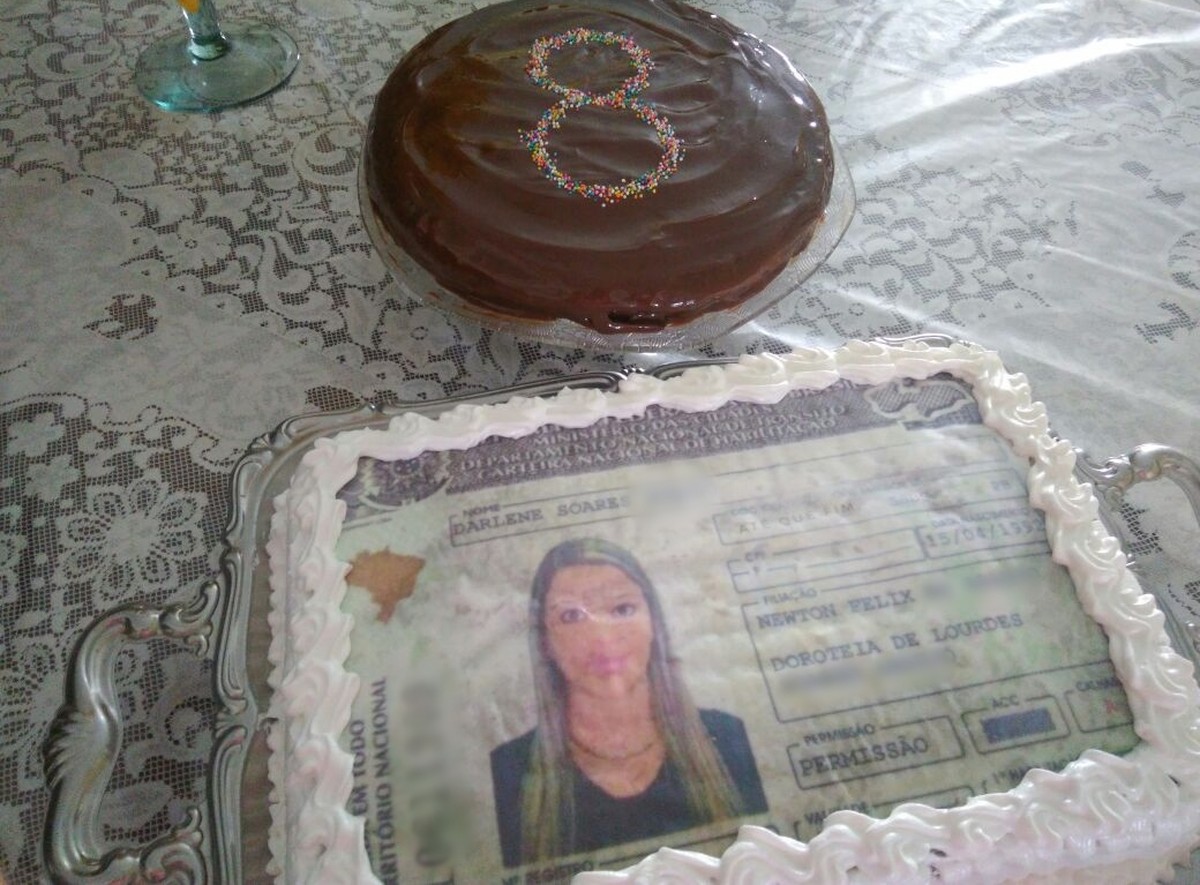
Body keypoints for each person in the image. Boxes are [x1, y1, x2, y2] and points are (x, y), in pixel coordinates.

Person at [490, 538, 768, 868]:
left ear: (653, 623)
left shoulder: (730, 738)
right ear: (545, 642)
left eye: (622, 609)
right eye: (571, 615)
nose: (602, 637)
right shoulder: (507, 772)